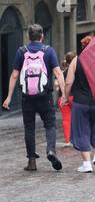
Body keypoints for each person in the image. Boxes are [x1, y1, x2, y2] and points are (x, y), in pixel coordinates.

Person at [2, 24, 64, 172]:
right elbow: (58, 73)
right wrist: (64, 94)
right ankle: (50, 151)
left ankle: (32, 162)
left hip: (27, 98)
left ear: (29, 37)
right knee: (50, 124)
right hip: (45, 96)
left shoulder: (21, 52)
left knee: (29, 128)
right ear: (42, 36)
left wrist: (8, 97)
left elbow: (15, 75)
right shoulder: (48, 51)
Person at [61, 36, 95, 173]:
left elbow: (68, 81)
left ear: (83, 47)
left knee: (82, 131)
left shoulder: (77, 60)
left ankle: (87, 163)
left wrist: (65, 96)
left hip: (81, 102)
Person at [56, 51, 77, 147]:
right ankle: (78, 138)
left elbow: (56, 83)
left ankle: (68, 140)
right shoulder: (77, 71)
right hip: (75, 97)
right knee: (79, 119)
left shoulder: (62, 72)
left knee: (66, 119)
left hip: (62, 98)